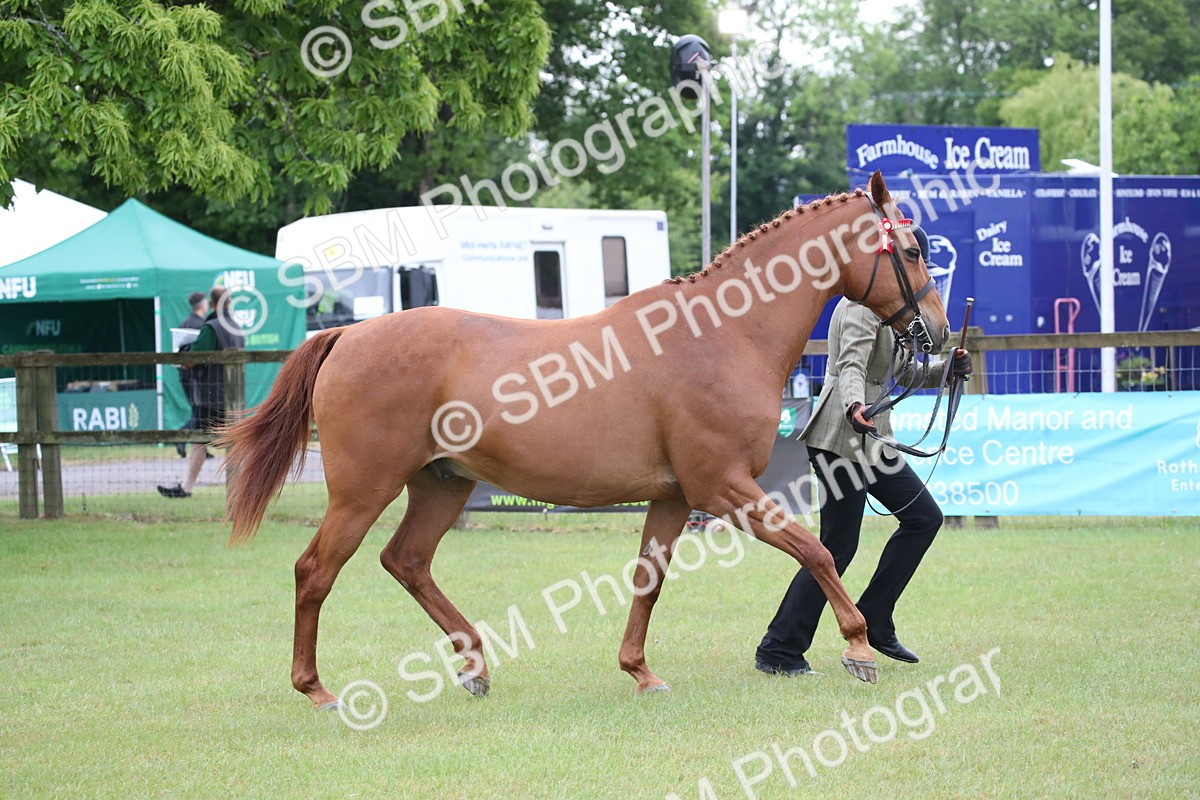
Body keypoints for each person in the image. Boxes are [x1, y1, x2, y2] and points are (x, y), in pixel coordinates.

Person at [755, 227, 972, 676]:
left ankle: (873, 617)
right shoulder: (858, 307)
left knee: (923, 518)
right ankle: (779, 650)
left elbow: (904, 370)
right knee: (837, 546)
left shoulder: (888, 310)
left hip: (872, 437)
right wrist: (855, 404)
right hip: (840, 435)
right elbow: (851, 364)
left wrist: (947, 369)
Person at [158, 286, 245, 498]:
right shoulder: (237, 327)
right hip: (234, 396)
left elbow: (193, 358)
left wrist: (185, 354)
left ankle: (187, 487)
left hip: (210, 396)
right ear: (230, 302)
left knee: (199, 440)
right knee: (232, 441)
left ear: (212, 304)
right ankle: (241, 490)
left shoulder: (211, 328)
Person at [175, 292, 208, 458]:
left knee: (199, 410)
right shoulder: (202, 325)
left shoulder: (184, 323)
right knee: (198, 410)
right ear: (203, 305)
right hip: (195, 375)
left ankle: (202, 448)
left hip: (184, 373)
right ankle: (182, 435)